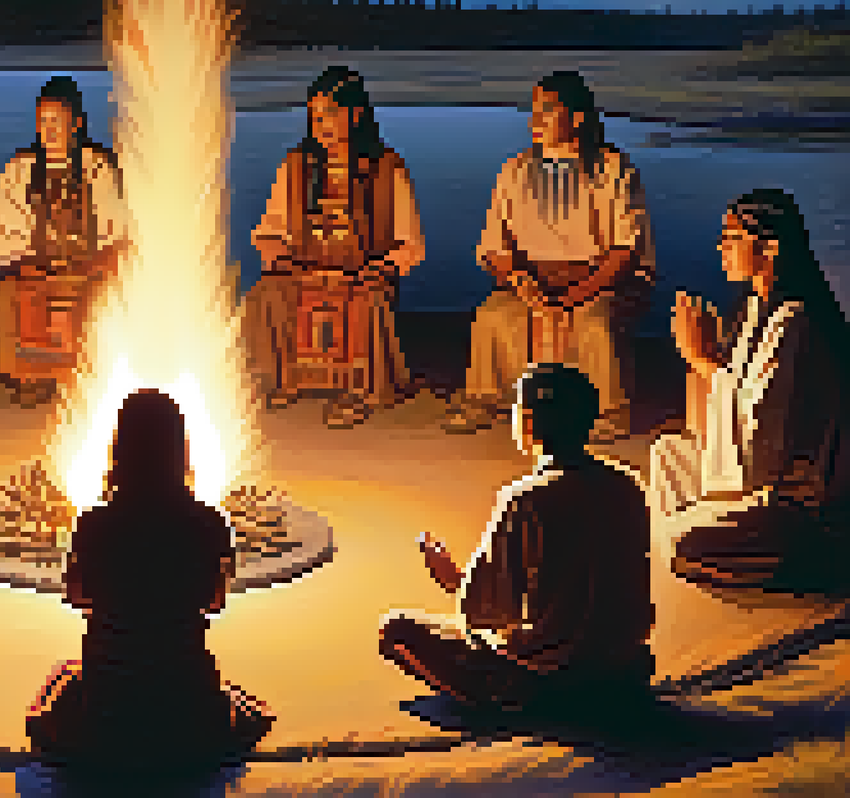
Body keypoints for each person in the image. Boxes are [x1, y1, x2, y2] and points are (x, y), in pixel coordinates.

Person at [381, 363, 654, 711]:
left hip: (550, 672)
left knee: (396, 631)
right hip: (622, 665)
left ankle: (517, 699)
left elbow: (484, 612)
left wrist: (452, 580)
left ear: (527, 423)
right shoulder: (626, 485)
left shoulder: (526, 498)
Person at [27, 389, 274, 773]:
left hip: (108, 700)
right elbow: (215, 602)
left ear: (119, 449)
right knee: (244, 706)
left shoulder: (94, 523)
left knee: (56, 689)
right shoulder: (208, 523)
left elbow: (77, 596)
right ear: (180, 449)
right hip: (184, 693)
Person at [649, 189, 850, 594]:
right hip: (747, 479)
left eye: (732, 237)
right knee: (666, 454)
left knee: (672, 536)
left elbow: (761, 448)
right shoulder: (755, 309)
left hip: (789, 498)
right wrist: (704, 361)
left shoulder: (794, 321)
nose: (721, 247)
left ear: (770, 247)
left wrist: (702, 361)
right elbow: (713, 422)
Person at [444, 71, 655, 443]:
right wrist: (522, 282)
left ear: (576, 118)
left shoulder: (612, 169)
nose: (535, 122)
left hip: (602, 280)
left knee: (593, 323)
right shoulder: (515, 170)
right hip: (534, 279)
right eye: (533, 112)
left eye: (546, 112)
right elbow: (495, 246)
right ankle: (487, 399)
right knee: (494, 315)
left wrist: (580, 292)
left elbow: (626, 249)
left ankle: (607, 410)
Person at [243, 67, 425, 428]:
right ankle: (285, 380)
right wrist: (281, 257)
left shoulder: (387, 167)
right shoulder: (295, 166)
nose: (321, 125)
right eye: (315, 116)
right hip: (304, 270)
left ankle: (358, 392)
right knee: (265, 294)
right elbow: (270, 231)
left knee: (365, 299)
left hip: (363, 272)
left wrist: (382, 267)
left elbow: (410, 242)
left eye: (330, 114)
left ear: (355, 115)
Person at [0, 76, 127, 408]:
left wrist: (89, 266)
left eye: (57, 121)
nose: (49, 130)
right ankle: (33, 377)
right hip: (35, 268)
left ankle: (87, 376)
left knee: (102, 291)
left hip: (87, 267)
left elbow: (117, 234)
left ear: (76, 124)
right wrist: (29, 265)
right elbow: (7, 233)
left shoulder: (97, 168)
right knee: (15, 292)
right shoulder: (19, 170)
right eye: (43, 122)